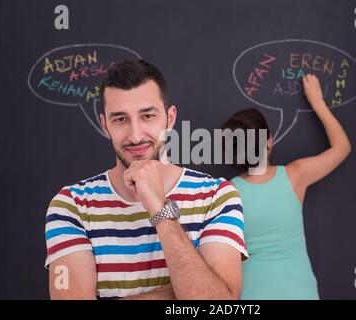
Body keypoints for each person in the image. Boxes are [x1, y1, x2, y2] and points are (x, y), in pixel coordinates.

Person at [45, 59, 248, 300]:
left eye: (148, 115)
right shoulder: (71, 205)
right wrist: (177, 292)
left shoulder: (218, 196)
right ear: (104, 125)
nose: (135, 135)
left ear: (170, 119)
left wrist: (159, 208)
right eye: (120, 119)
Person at [221, 74, 351, 299]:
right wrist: (318, 102)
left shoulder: (226, 193)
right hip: (301, 292)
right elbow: (342, 147)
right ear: (269, 140)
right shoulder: (295, 175)